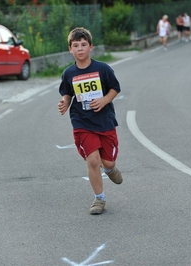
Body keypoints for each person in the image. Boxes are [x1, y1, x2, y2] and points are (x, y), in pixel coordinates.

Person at [58, 27, 123, 215]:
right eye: (76, 45)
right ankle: (99, 199)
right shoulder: (68, 73)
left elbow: (115, 88)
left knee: (107, 163)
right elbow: (67, 94)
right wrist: (64, 102)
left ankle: (110, 170)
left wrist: (104, 100)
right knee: (93, 161)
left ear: (91, 47)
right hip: (82, 122)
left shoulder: (102, 68)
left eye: (83, 45)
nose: (80, 49)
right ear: (70, 49)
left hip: (105, 122)